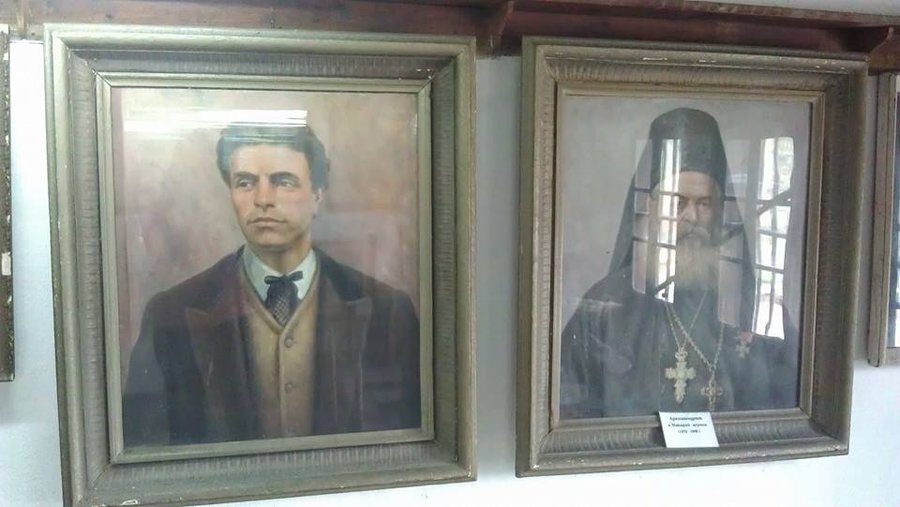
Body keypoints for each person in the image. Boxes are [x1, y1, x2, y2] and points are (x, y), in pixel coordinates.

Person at [123, 122, 421, 446]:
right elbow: (145, 450)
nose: (263, 199)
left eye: (283, 181)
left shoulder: (387, 311)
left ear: (317, 195)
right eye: (245, 182)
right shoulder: (171, 314)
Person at [559, 108, 799, 419]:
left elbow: (780, 400)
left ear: (719, 212)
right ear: (652, 209)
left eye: (704, 204)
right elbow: (571, 408)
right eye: (678, 203)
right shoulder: (606, 307)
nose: (692, 217)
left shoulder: (751, 305)